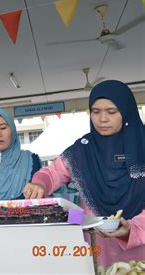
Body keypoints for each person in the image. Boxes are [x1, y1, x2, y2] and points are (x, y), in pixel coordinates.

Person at [23, 80, 145, 267]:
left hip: (140, 249)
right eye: (96, 112)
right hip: (97, 249)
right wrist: (40, 183)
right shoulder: (82, 151)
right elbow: (53, 172)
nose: (102, 119)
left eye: (111, 112)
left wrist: (132, 229)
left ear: (126, 111)